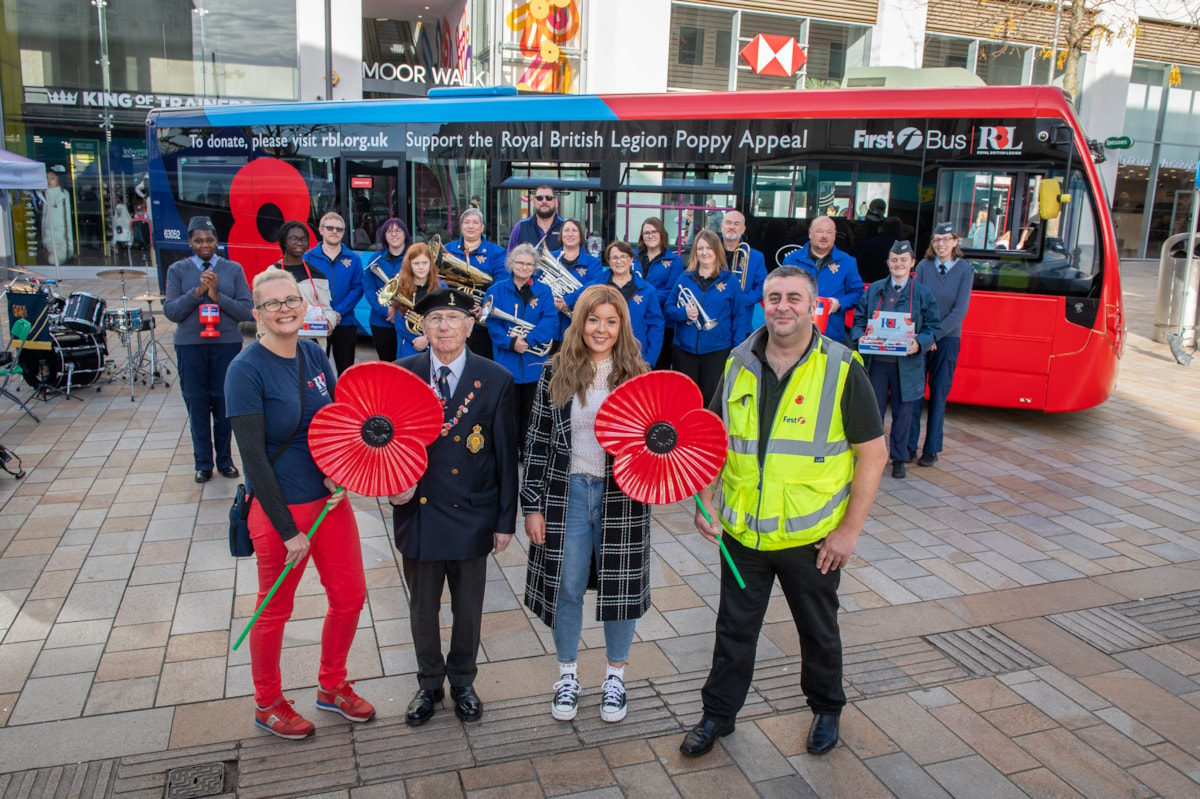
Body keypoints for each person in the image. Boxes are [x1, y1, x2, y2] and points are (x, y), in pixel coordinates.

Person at [681, 265, 887, 759]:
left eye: (795, 297)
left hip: (811, 537)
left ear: (813, 305)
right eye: (774, 297)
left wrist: (848, 533)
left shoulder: (841, 367)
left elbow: (873, 454)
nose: (783, 306)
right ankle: (718, 715)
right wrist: (705, 502)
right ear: (763, 304)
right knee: (733, 630)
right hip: (743, 536)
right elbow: (714, 442)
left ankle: (827, 708)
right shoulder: (736, 362)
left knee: (818, 630)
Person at [224, 269, 373, 740]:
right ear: (257, 314)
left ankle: (331, 686)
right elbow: (253, 461)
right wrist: (288, 530)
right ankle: (267, 701)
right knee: (274, 611)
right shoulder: (244, 371)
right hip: (278, 511)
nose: (286, 309)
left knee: (349, 598)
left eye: (293, 299)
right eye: (273, 304)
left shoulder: (312, 353)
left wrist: (340, 469)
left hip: (329, 503)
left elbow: (334, 422)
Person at [522, 284, 651, 723]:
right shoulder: (555, 371)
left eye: (611, 321)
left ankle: (615, 677)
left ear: (622, 326)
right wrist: (532, 505)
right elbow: (537, 443)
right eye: (593, 320)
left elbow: (653, 445)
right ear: (580, 322)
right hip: (567, 492)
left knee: (620, 588)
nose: (601, 329)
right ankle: (568, 675)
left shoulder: (638, 375)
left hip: (623, 496)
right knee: (567, 586)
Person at [390, 288, 518, 727]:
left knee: (468, 608)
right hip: (419, 513)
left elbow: (504, 455)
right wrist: (392, 489)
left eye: (452, 318)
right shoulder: (401, 374)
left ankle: (463, 680)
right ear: (421, 327)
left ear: (470, 325)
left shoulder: (495, 378)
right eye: (435, 319)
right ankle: (429, 684)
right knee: (422, 609)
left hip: (473, 512)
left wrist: (505, 520)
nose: (444, 326)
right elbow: (383, 448)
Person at [163, 216, 254, 483]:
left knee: (225, 404)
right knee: (197, 404)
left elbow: (245, 310)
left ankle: (225, 460)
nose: (205, 245)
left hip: (226, 344)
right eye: (199, 240)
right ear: (190, 242)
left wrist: (217, 297)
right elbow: (171, 312)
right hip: (191, 346)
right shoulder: (177, 270)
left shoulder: (233, 269)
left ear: (217, 241)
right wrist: (197, 292)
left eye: (210, 240)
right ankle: (203, 462)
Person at [850, 241, 941, 480]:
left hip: (907, 366)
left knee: (903, 414)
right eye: (893, 260)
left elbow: (933, 326)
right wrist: (861, 338)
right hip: (877, 364)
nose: (898, 264)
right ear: (888, 263)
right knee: (872, 413)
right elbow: (859, 320)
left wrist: (919, 342)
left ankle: (899, 458)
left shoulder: (921, 294)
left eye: (903, 260)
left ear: (912, 263)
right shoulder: (874, 290)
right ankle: (872, 457)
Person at [483, 244, 558, 456]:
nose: (524, 267)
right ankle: (508, 451)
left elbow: (550, 321)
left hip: (534, 363)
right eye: (520, 263)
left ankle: (528, 450)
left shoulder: (544, 291)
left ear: (534, 267)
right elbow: (491, 323)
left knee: (532, 411)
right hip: (506, 362)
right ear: (511, 264)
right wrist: (511, 343)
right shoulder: (495, 290)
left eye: (529, 264)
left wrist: (530, 340)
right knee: (508, 411)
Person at [909, 223, 973, 467]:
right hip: (922, 339)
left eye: (946, 239)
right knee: (914, 395)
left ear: (955, 242)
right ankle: (907, 447)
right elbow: (917, 302)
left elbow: (959, 311)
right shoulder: (924, 267)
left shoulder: (965, 271)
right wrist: (925, 337)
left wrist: (933, 337)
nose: (941, 244)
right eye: (936, 240)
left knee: (938, 395)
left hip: (946, 341)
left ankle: (931, 449)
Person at [664, 229, 749, 407]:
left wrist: (736, 350)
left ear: (717, 251)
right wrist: (683, 313)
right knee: (684, 401)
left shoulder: (730, 282)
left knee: (711, 401)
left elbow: (739, 318)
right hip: (684, 351)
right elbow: (668, 309)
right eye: (700, 248)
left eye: (709, 248)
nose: (704, 252)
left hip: (717, 352)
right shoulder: (684, 278)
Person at [781, 216, 865, 344]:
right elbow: (781, 291)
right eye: (819, 231)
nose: (824, 236)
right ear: (810, 233)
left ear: (835, 235)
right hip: (796, 333)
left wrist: (840, 303)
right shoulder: (792, 261)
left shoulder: (848, 262)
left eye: (829, 232)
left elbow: (858, 292)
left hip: (832, 335)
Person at [443, 207, 507, 359]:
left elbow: (501, 282)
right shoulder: (447, 250)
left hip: (480, 322)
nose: (470, 226)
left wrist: (485, 306)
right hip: (453, 317)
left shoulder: (496, 252)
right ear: (461, 226)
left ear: (482, 227)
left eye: (475, 222)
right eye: (467, 222)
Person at [304, 212, 363, 375]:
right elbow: (305, 289)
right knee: (315, 370)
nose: (334, 232)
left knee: (346, 370)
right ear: (321, 230)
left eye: (339, 229)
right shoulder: (308, 258)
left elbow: (357, 288)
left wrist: (337, 312)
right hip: (317, 322)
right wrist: (323, 314)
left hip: (344, 322)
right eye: (330, 228)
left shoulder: (353, 259)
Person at [269, 221, 336, 343]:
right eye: (294, 238)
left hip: (312, 342)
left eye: (304, 239)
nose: (299, 243)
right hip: (281, 341)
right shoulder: (271, 274)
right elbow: (265, 309)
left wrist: (330, 322)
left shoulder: (318, 275)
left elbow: (327, 309)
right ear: (283, 241)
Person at [603, 240, 663, 366]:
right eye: (614, 257)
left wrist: (649, 360)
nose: (619, 261)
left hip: (635, 356)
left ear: (631, 260)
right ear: (609, 261)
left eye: (623, 256)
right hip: (603, 354)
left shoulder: (648, 291)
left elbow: (656, 326)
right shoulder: (598, 287)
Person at [636, 217, 685, 370]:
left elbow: (671, 292)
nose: (650, 236)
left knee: (658, 369)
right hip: (636, 322)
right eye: (646, 233)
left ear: (662, 234)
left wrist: (642, 298)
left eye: (654, 232)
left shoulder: (674, 261)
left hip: (663, 324)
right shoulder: (633, 259)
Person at [362, 218, 411, 363]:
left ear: (405, 234)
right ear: (384, 235)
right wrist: (387, 311)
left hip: (407, 320)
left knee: (408, 364)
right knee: (387, 364)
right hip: (381, 321)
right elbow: (369, 290)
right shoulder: (375, 259)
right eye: (389, 231)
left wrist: (400, 311)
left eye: (398, 230)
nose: (393, 234)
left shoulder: (413, 257)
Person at [548, 218, 603, 340]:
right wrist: (551, 301)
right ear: (561, 235)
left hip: (579, 327)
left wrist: (568, 300)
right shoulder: (550, 258)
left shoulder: (593, 263)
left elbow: (594, 285)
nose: (570, 234)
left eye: (574, 230)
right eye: (566, 230)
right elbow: (539, 285)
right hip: (550, 323)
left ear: (581, 236)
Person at [391, 242, 442, 358]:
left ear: (431, 264)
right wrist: (416, 340)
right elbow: (399, 320)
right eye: (416, 263)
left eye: (425, 263)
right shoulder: (401, 287)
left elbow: (444, 318)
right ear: (409, 265)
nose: (421, 267)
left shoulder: (441, 287)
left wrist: (427, 339)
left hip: (436, 347)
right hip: (409, 346)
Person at [720, 210, 768, 329]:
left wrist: (741, 301)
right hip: (715, 320)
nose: (732, 227)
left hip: (742, 322)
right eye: (728, 223)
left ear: (743, 229)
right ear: (722, 226)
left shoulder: (756, 257)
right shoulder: (709, 252)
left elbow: (763, 287)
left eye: (736, 224)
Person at [508, 186, 564, 251]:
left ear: (556, 203)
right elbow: (510, 258)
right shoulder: (520, 227)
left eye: (549, 198)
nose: (544, 201)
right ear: (534, 203)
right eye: (539, 198)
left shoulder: (566, 227)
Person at [42, 168, 73, 266]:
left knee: (56, 260)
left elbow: (66, 221)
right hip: (48, 239)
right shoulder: (42, 195)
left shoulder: (63, 195)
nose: (49, 181)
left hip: (61, 239)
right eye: (46, 178)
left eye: (52, 178)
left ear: (58, 180)